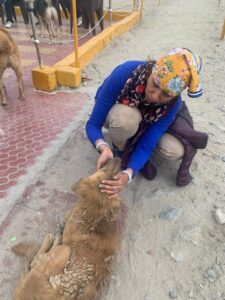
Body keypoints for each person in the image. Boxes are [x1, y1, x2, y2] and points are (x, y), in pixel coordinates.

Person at [86, 48, 208, 198]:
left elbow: (147, 144)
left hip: (146, 123)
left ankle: (133, 148)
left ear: (176, 94)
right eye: (155, 84)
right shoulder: (126, 72)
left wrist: (128, 173)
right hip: (118, 114)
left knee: (176, 151)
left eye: (166, 94)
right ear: (152, 72)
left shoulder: (173, 105)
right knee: (125, 121)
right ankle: (120, 147)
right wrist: (103, 147)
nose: (155, 96)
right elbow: (93, 124)